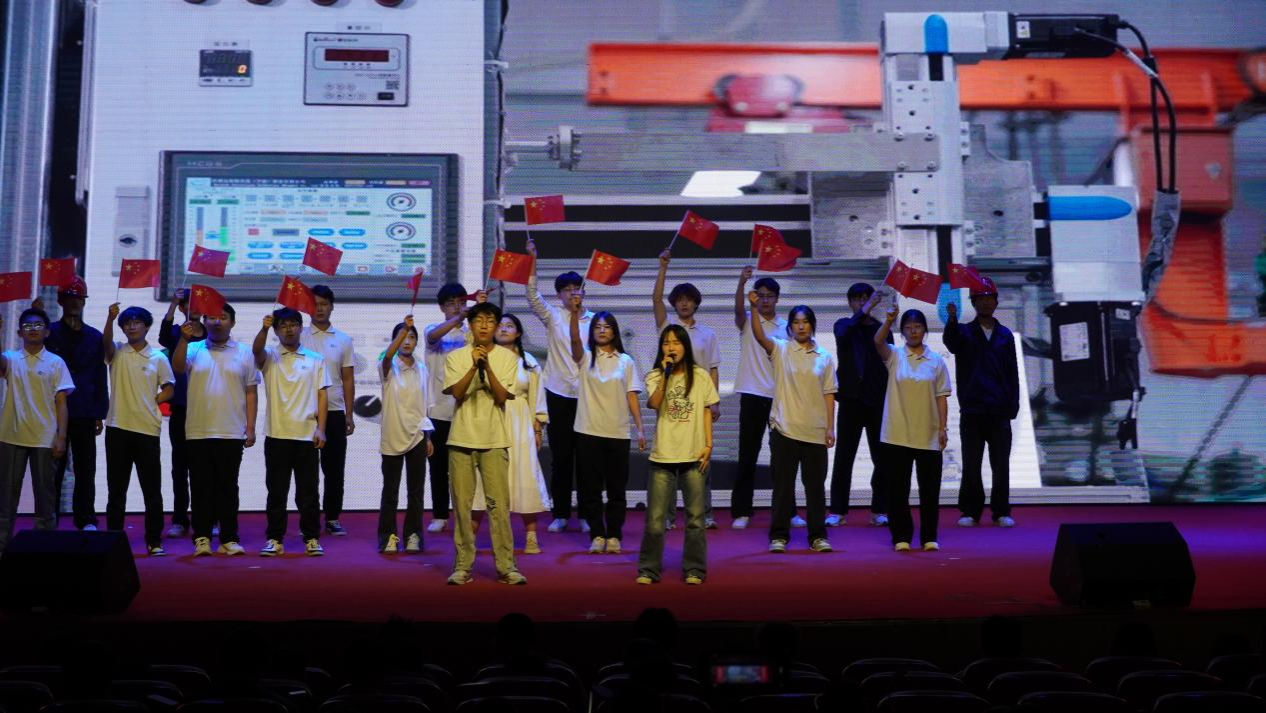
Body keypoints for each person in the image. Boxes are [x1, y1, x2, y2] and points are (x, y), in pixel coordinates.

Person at [442, 301, 526, 585]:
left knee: (498, 506)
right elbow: (457, 393)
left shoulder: (507, 358)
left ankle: (506, 567)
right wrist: (472, 366)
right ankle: (462, 566)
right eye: (479, 320)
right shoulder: (456, 356)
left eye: (490, 321)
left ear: (496, 326)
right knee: (462, 506)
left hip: (494, 439)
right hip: (461, 438)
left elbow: (502, 396)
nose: (484, 325)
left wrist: (487, 366)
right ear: (470, 325)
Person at [749, 297, 837, 554]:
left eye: (806, 322)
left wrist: (830, 427)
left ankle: (818, 536)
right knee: (783, 488)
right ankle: (779, 536)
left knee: (815, 489)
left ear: (812, 325)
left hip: (815, 432)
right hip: (785, 429)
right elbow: (759, 335)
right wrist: (753, 307)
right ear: (789, 327)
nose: (801, 326)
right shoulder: (781, 349)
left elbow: (829, 394)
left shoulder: (824, 357)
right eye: (796, 322)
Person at [171, 302, 257, 557]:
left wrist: (250, 427)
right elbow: (177, 368)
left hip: (231, 430)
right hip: (198, 430)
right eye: (211, 317)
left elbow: (251, 392)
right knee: (200, 487)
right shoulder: (193, 348)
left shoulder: (245, 352)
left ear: (232, 322)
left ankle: (229, 538)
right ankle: (202, 538)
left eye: (223, 317)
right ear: (204, 321)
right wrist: (183, 339)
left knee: (228, 487)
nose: (217, 322)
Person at [637, 324, 719, 585]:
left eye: (676, 342)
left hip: (694, 457)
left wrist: (709, 445)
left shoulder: (700, 376)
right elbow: (654, 403)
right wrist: (665, 374)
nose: (671, 347)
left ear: (685, 346)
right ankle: (649, 569)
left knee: (695, 519)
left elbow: (706, 410)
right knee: (655, 520)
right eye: (666, 343)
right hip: (663, 457)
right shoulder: (654, 375)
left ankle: (694, 569)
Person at [525, 237, 592, 533]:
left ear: (583, 291)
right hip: (558, 393)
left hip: (589, 395)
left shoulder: (596, 321)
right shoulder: (554, 316)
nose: (572, 293)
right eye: (567, 289)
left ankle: (587, 514)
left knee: (587, 458)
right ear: (560, 295)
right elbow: (531, 294)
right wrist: (532, 258)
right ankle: (561, 513)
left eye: (577, 288)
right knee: (561, 458)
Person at [252, 308, 330, 557]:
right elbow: (256, 350)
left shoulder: (315, 359)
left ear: (301, 327)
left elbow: (322, 395)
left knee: (308, 493)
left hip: (307, 435)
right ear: (276, 330)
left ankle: (312, 538)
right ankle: (275, 539)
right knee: (277, 492)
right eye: (283, 325)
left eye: (293, 324)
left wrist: (321, 429)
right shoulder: (270, 357)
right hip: (277, 435)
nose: (289, 329)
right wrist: (263, 328)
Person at [472, 313, 552, 554]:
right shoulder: (485, 356)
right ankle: (469, 538)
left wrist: (537, 427)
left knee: (524, 474)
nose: (504, 329)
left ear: (518, 333)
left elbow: (537, 396)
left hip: (519, 421)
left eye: (510, 326)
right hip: (491, 417)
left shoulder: (528, 361)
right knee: (483, 477)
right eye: (500, 325)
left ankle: (530, 537)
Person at [652, 248, 721, 530]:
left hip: (700, 401)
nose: (684, 303)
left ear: (695, 303)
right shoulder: (667, 329)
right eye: (679, 300)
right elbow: (656, 299)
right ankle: (668, 517)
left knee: (701, 456)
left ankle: (705, 514)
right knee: (668, 459)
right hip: (670, 399)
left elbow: (713, 369)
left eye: (688, 299)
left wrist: (714, 402)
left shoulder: (708, 334)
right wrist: (663, 267)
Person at [874, 305, 951, 552]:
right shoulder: (895, 356)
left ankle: (929, 536)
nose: (913, 331)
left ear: (925, 330)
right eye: (908, 327)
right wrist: (888, 320)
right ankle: (901, 536)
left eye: (917, 327)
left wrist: (943, 428)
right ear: (902, 332)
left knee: (930, 490)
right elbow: (877, 342)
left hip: (927, 432)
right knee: (898, 490)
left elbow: (941, 397)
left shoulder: (936, 361)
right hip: (897, 433)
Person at [944, 277, 1020, 528]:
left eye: (990, 298)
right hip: (973, 410)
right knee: (971, 464)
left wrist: (1013, 405)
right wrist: (952, 319)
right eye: (981, 298)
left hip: (999, 410)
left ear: (996, 302)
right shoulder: (964, 332)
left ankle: (1001, 511)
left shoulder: (1005, 335)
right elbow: (951, 344)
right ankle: (970, 511)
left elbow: (1012, 372)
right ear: (973, 302)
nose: (986, 302)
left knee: (1001, 465)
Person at [570, 305, 644, 555]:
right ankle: (597, 534)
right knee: (590, 489)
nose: (602, 331)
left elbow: (632, 395)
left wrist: (640, 428)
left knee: (616, 489)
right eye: (597, 327)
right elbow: (574, 340)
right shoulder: (585, 358)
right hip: (588, 431)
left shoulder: (626, 361)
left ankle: (613, 535)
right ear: (592, 332)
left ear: (614, 332)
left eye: (607, 327)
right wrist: (574, 313)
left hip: (618, 433)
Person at [102, 303, 175, 556]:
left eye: (137, 322)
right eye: (127, 323)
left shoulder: (158, 357)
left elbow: (169, 388)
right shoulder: (117, 352)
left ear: (146, 326)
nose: (132, 327)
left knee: (151, 489)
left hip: (147, 429)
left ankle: (154, 540)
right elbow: (105, 344)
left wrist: (153, 400)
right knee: (116, 489)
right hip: (117, 427)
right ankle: (114, 539)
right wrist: (110, 319)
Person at [731, 267, 802, 529]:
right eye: (760, 295)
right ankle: (742, 512)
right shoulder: (748, 320)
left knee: (782, 459)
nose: (765, 300)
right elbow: (738, 310)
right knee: (747, 456)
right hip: (751, 394)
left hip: (779, 397)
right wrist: (742, 283)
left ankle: (788, 511)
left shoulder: (786, 327)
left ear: (777, 299)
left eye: (769, 295)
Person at [0, 308, 74, 554]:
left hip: (45, 437)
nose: (33, 329)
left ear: (47, 331)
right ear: (19, 332)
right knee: (6, 497)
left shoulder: (56, 362)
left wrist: (61, 437)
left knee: (45, 497)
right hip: (11, 436)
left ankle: (45, 550)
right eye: (28, 326)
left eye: (38, 325)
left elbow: (61, 403)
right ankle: (2, 547)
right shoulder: (11, 358)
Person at [40, 278, 107, 532]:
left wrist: (100, 412)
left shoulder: (95, 337)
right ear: (60, 301)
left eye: (79, 298)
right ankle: (50, 520)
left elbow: (100, 375)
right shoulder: (49, 334)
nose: (75, 302)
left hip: (85, 410)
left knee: (85, 468)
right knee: (52, 470)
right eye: (70, 297)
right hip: (54, 410)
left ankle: (86, 519)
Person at [829, 284, 892, 527]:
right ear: (850, 303)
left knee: (882, 459)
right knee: (844, 458)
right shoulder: (843, 325)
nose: (862, 303)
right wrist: (865, 309)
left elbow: (889, 361)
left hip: (877, 401)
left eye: (866, 299)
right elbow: (843, 335)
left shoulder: (881, 329)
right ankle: (838, 510)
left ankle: (880, 509)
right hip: (850, 401)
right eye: (857, 299)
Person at [300, 285, 355, 537]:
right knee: (306, 471)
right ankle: (308, 519)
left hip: (334, 411)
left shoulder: (343, 340)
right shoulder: (299, 336)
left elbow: (348, 379)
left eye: (324, 304)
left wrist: (348, 414)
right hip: (305, 412)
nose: (319, 308)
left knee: (334, 469)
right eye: (315, 304)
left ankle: (332, 517)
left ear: (332, 306)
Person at [378, 315, 433, 554]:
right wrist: (404, 328)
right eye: (402, 337)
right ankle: (388, 537)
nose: (407, 341)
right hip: (392, 435)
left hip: (417, 437)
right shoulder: (387, 366)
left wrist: (428, 437)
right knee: (390, 491)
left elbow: (425, 405)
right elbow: (387, 356)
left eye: (411, 337)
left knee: (416, 492)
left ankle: (413, 535)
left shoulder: (422, 368)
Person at [422, 282, 472, 534]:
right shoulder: (433, 330)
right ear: (442, 307)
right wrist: (458, 318)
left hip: (468, 410)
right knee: (438, 467)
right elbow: (433, 338)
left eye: (461, 302)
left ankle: (466, 514)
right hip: (439, 411)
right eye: (451, 303)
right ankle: (440, 515)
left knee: (465, 468)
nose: (456, 307)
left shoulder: (471, 333)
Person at [158, 288, 206, 538]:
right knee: (180, 467)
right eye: (188, 303)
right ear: (181, 308)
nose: (194, 307)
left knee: (205, 468)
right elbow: (163, 335)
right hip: (181, 408)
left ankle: (207, 518)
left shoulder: (210, 334)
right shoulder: (176, 333)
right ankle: (179, 519)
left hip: (206, 410)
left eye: (198, 303)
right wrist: (172, 302)